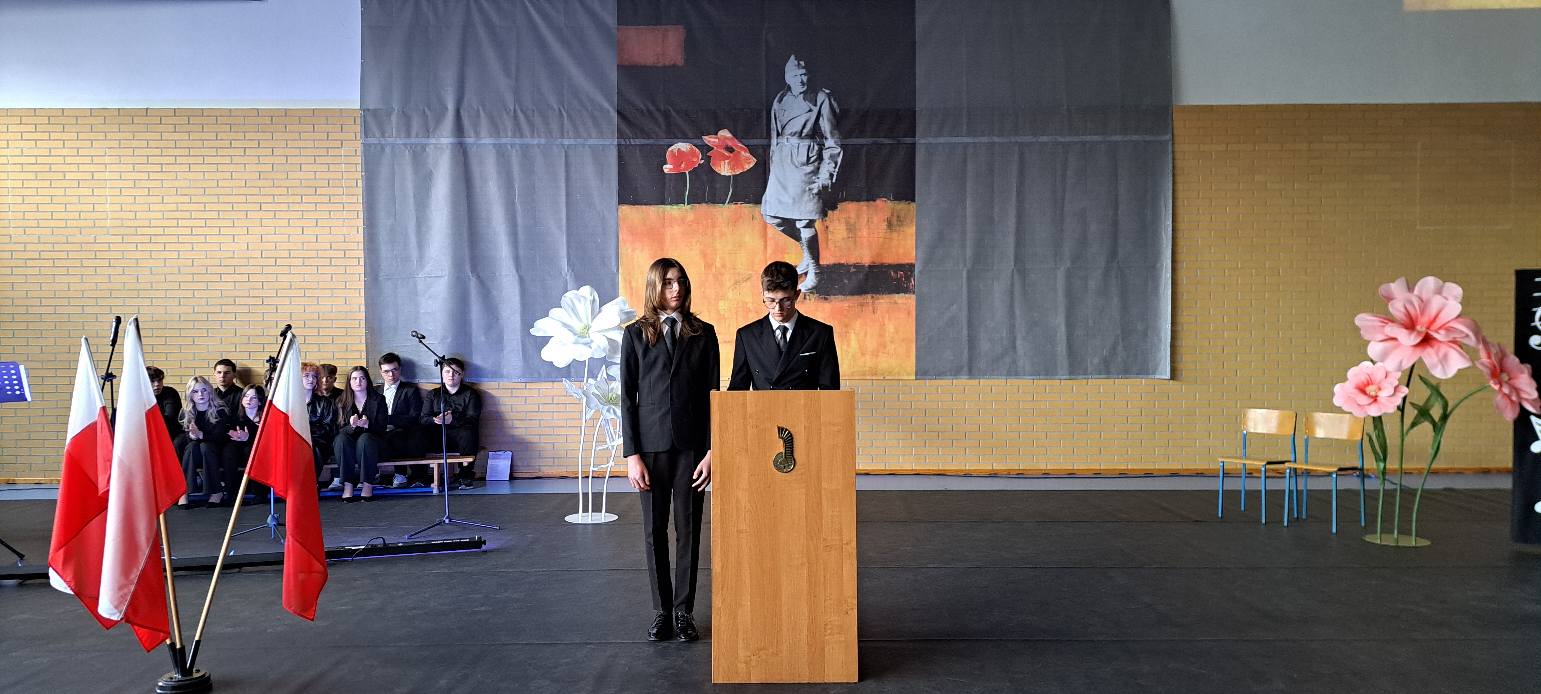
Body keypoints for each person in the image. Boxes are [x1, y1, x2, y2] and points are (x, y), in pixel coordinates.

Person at [620, 257, 719, 643]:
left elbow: (713, 396)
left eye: (680, 281)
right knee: (653, 530)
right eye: (667, 282)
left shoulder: (704, 333)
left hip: (692, 450)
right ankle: (662, 610)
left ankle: (683, 611)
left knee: (689, 531)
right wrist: (632, 455)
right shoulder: (634, 335)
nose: (676, 289)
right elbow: (627, 398)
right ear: (654, 287)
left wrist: (712, 451)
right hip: (650, 449)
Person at [762, 54, 841, 292]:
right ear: (787, 77)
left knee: (804, 221)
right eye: (795, 75)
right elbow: (775, 135)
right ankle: (807, 252)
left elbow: (832, 141)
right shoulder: (781, 99)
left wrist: (826, 175)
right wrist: (774, 165)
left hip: (807, 163)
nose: (800, 79)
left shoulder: (821, 98)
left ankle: (815, 270)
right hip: (783, 164)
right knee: (771, 215)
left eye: (804, 74)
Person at [728, 260, 841, 391]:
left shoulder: (821, 333)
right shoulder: (747, 336)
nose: (778, 308)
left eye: (785, 300)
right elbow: (737, 390)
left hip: (805, 405)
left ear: (797, 295)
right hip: (762, 405)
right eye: (770, 301)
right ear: (763, 295)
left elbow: (830, 391)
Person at [421, 356, 482, 490]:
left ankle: (465, 475)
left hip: (461, 437)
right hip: (438, 436)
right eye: (447, 371)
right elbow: (423, 418)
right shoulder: (433, 394)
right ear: (442, 373)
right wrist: (436, 420)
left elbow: (472, 418)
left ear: (462, 374)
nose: (451, 375)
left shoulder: (471, 394)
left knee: (469, 432)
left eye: (455, 372)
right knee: (418, 433)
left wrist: (452, 420)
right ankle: (420, 476)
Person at [174, 376, 230, 508]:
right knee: (191, 447)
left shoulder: (220, 410)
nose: (200, 394)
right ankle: (184, 492)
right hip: (194, 452)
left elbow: (221, 437)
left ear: (210, 391)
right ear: (190, 394)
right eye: (195, 391)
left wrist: (201, 434)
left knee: (205, 446)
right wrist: (192, 436)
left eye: (204, 390)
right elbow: (183, 437)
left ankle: (216, 491)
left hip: (215, 450)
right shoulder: (186, 412)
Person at [334, 366, 387, 502]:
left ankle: (367, 484)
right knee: (341, 439)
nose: (358, 382)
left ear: (367, 380)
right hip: (349, 442)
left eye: (362, 378)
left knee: (365, 439)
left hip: (373, 441)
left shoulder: (379, 399)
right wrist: (352, 426)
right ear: (349, 382)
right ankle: (348, 485)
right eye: (354, 379)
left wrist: (368, 425)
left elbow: (382, 428)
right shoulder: (341, 401)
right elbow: (338, 429)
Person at [376, 352, 425, 487]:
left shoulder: (410, 390)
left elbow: (414, 416)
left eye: (394, 370)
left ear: (400, 369)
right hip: (378, 430)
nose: (391, 375)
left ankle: (401, 474)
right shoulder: (374, 391)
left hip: (402, 429)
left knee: (400, 436)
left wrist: (388, 420)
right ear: (381, 372)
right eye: (386, 371)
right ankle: (371, 476)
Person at [219, 384, 268, 503]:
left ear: (260, 401)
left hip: (258, 448)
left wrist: (249, 436)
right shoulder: (235, 416)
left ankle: (260, 493)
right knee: (228, 451)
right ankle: (232, 494)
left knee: (251, 451)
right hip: (237, 448)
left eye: (253, 397)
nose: (248, 400)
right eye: (246, 396)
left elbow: (266, 437)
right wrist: (232, 434)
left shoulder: (266, 417)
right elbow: (226, 431)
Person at [303, 363, 341, 490]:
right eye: (306, 376)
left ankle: (310, 484)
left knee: (313, 447)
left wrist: (307, 432)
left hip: (319, 441)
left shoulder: (324, 402)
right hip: (295, 439)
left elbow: (328, 427)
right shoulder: (290, 402)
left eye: (314, 377)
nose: (311, 379)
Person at [148, 366, 183, 440]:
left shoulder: (170, 393)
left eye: (160, 380)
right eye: (152, 381)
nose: (157, 384)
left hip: (172, 433)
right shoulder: (140, 396)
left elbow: (170, 417)